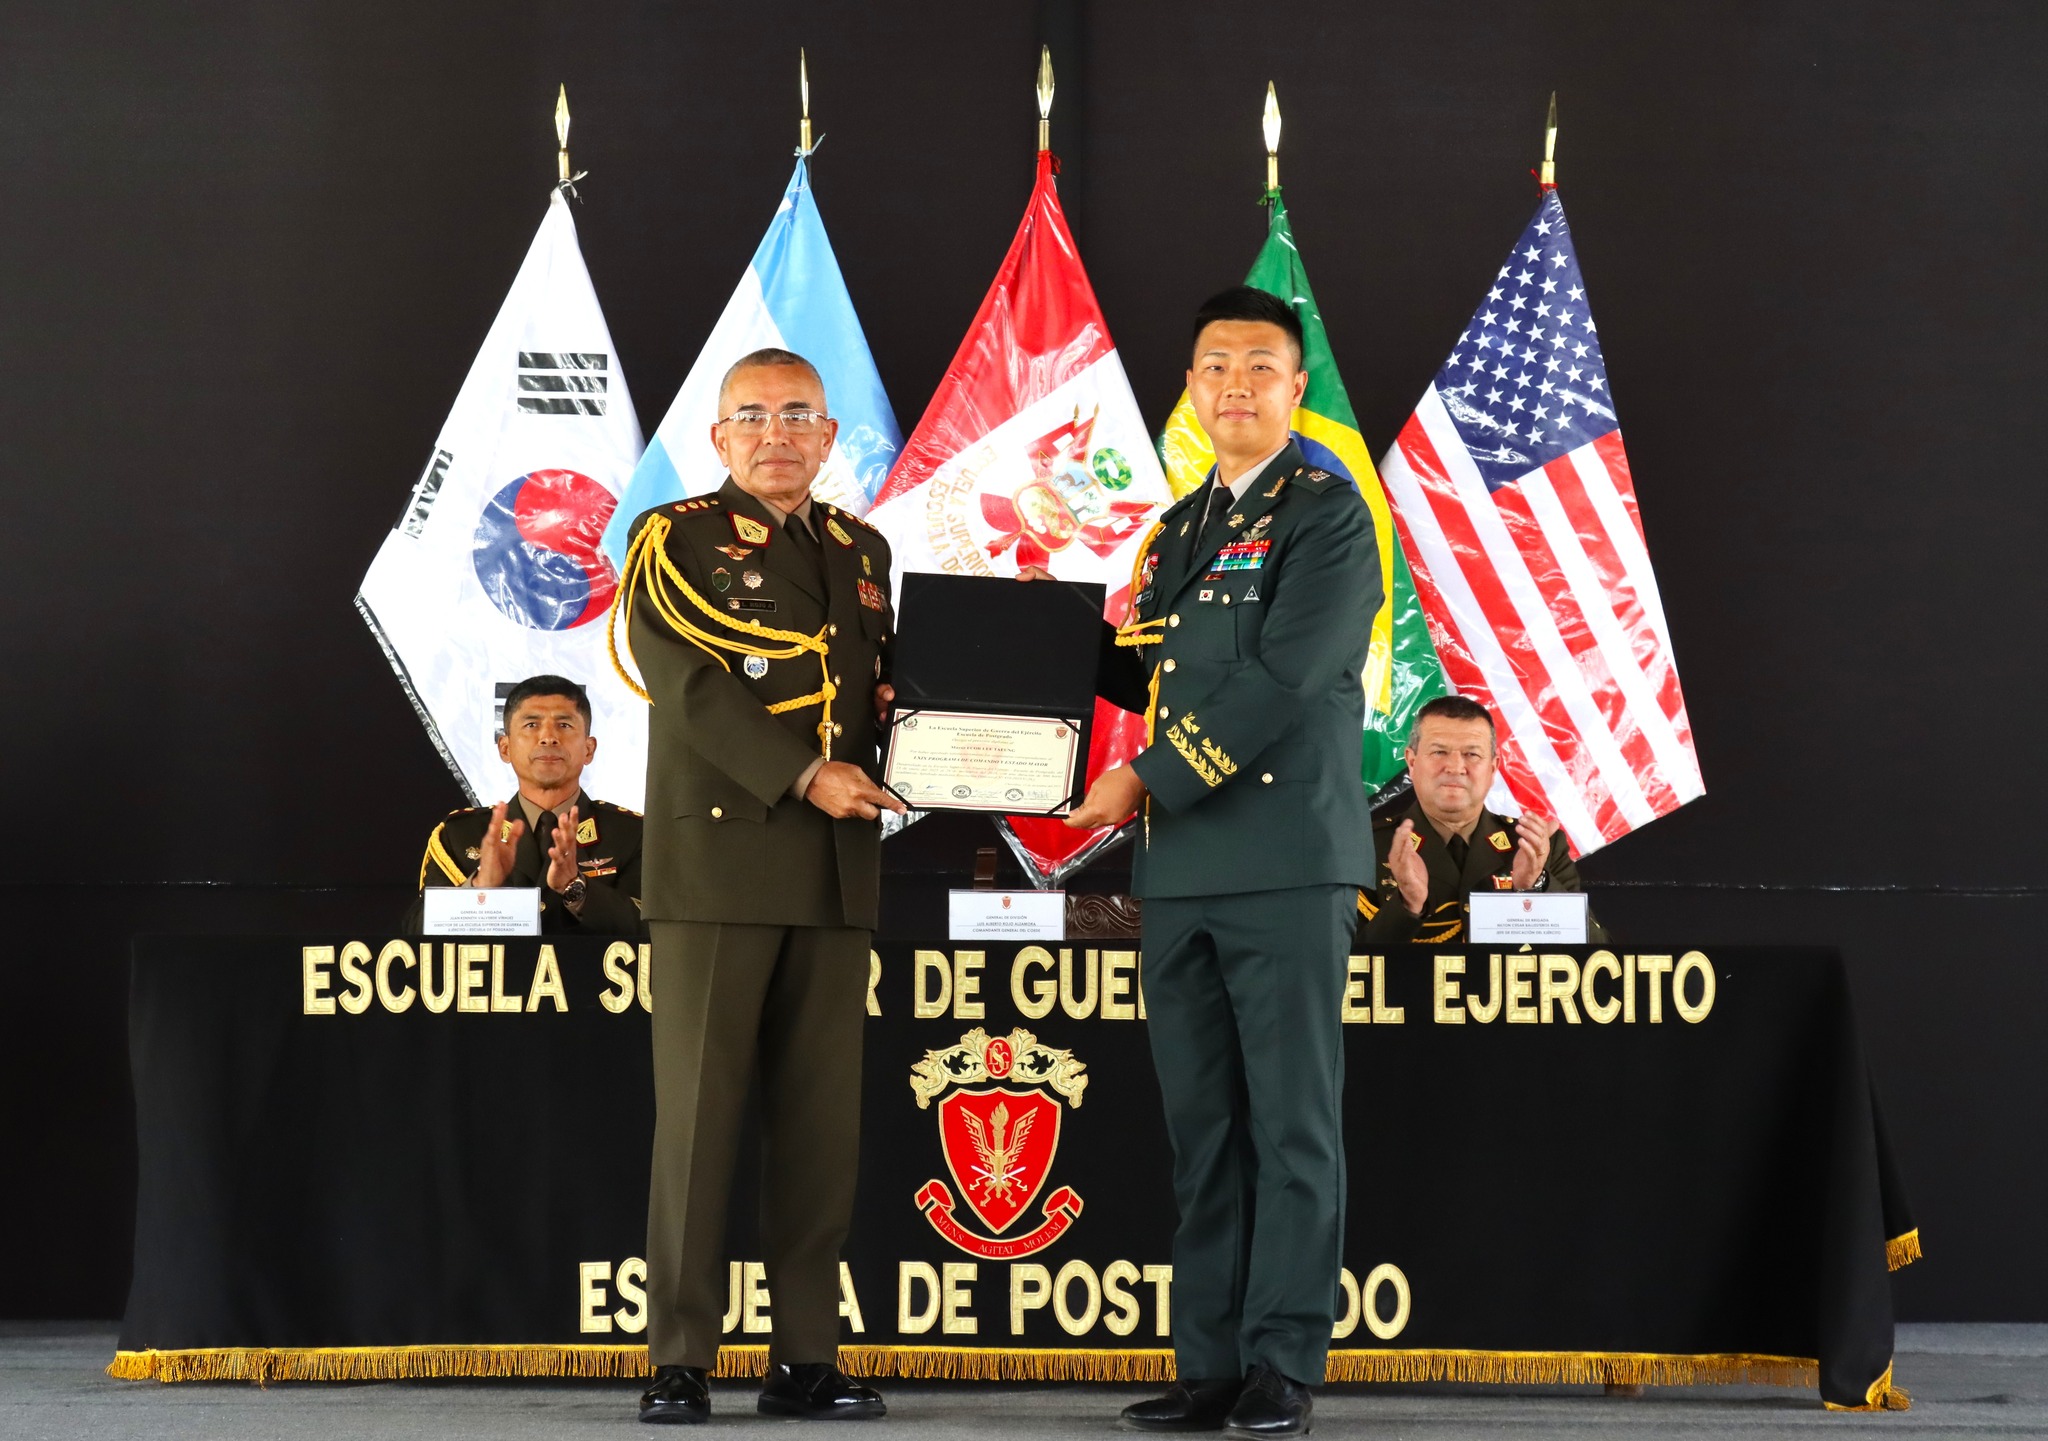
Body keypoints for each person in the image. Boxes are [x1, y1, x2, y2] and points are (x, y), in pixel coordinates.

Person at [1041, 286, 1382, 1437]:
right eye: (1214, 367)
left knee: (1289, 1127)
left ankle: (1281, 1363)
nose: (1234, 384)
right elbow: (1155, 676)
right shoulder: (1182, 527)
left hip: (1284, 861)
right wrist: (1022, 644)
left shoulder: (1327, 516)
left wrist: (1139, 779)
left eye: (1258, 365)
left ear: (1295, 387)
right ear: (1188, 388)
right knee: (1203, 1133)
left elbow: (1280, 682)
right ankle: (1209, 1366)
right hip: (1181, 868)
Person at [611, 347, 904, 1426]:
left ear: (829, 437)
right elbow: (689, 685)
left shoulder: (861, 548)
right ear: (719, 437)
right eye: (752, 416)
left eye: (797, 415)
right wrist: (804, 772)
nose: (775, 434)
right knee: (698, 1122)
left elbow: (878, 692)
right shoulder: (672, 537)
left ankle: (804, 1358)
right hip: (723, 860)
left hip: (836, 869)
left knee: (821, 1131)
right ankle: (680, 1357)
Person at [1357, 694, 1608, 946]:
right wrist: (1407, 906)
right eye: (1439, 752)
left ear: (1493, 767)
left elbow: (1598, 955)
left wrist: (1535, 887)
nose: (1455, 767)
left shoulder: (1538, 847)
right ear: (1412, 762)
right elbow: (1342, 961)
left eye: (1472, 754)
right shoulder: (1366, 847)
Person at [406, 674, 643, 934]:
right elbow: (416, 933)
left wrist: (576, 888)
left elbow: (655, 929)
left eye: (564, 725)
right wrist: (479, 888)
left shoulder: (632, 834)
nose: (548, 737)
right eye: (531, 725)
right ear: (505, 748)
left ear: (589, 749)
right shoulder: (460, 835)